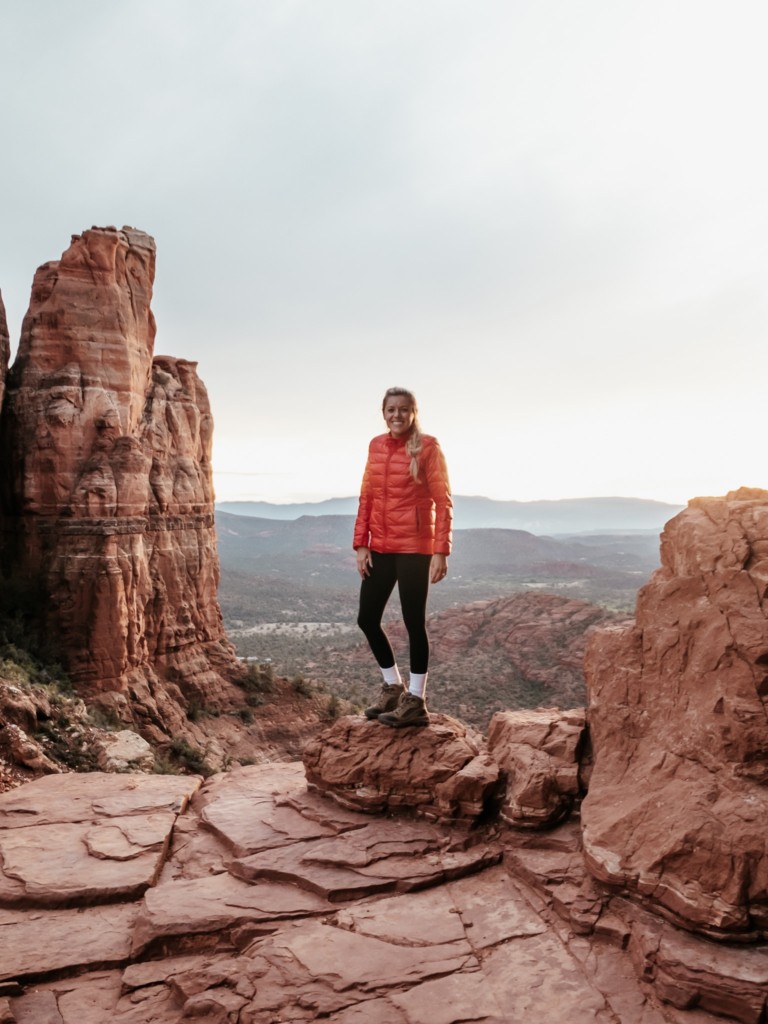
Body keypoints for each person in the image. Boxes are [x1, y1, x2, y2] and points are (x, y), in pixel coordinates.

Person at [353, 386, 453, 727]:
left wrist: (441, 550)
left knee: (413, 623)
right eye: (391, 409)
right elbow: (366, 497)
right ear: (384, 412)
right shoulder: (376, 446)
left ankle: (416, 701)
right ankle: (393, 686)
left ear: (413, 413)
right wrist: (361, 543)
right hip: (380, 546)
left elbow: (444, 500)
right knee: (367, 619)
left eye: (403, 410)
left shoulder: (428, 447)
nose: (397, 415)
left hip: (414, 547)